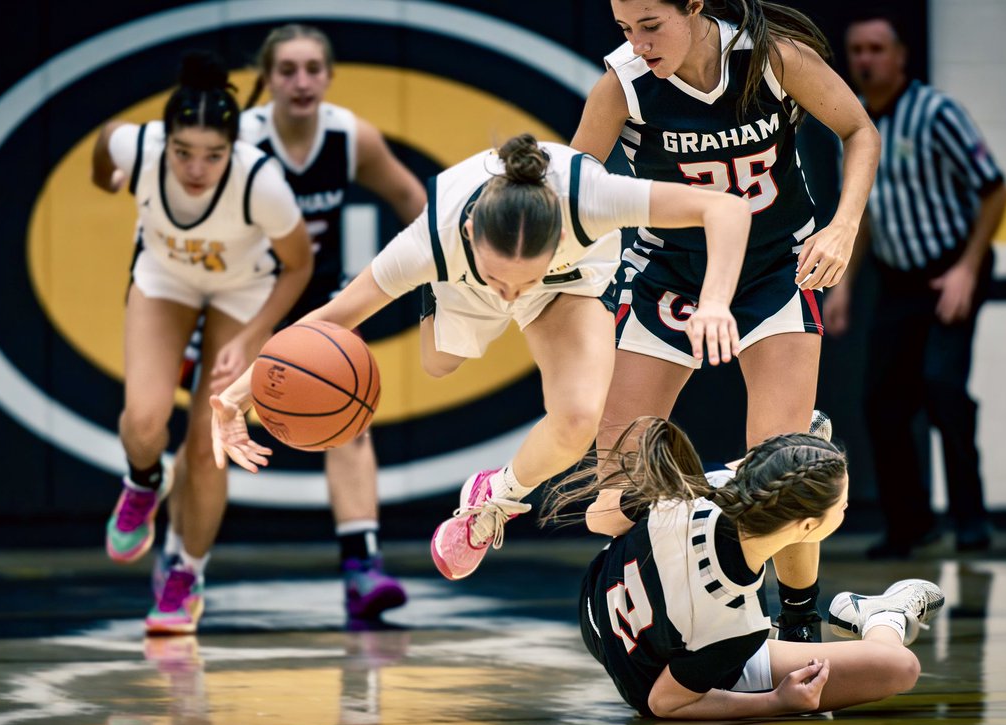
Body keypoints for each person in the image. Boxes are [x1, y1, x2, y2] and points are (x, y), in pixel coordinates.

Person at [211, 133, 752, 582]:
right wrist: (237, 398)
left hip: (568, 284)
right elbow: (333, 318)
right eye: (502, 280)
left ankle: (493, 499)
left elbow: (724, 208)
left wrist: (715, 302)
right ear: (470, 233)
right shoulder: (432, 239)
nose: (511, 297)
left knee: (578, 420)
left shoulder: (593, 198)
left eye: (522, 280)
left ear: (561, 234)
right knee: (439, 363)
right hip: (462, 280)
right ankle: (456, 290)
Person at [568, 0, 882, 643]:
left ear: (694, 7)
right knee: (610, 503)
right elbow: (571, 186)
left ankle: (797, 621)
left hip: (773, 270)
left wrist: (843, 226)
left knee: (783, 477)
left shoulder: (771, 59)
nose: (639, 43)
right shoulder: (623, 83)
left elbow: (859, 130)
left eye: (650, 25)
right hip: (670, 276)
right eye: (625, 29)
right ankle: (663, 622)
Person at [159, 24, 428, 622]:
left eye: (312, 68)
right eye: (287, 70)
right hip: (244, 298)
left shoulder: (349, 136)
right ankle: (177, 555)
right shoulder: (240, 139)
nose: (301, 81)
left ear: (329, 77)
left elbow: (417, 205)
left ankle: (362, 567)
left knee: (350, 420)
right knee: (206, 433)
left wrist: (439, 269)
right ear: (267, 78)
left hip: (318, 307)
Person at [91, 51, 313, 634]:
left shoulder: (260, 181)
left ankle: (186, 573)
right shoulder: (136, 149)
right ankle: (142, 482)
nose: (196, 168)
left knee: (209, 441)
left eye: (213, 155)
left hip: (243, 291)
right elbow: (105, 142)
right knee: (143, 421)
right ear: (163, 141)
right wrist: (108, 179)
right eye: (183, 153)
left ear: (233, 149)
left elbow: (299, 266)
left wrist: (253, 334)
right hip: (165, 279)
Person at [546, 416, 944, 720]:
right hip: (650, 674)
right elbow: (663, 703)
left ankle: (799, 448)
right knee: (899, 667)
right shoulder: (737, 624)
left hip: (597, 598)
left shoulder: (705, 485)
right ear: (807, 528)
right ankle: (884, 616)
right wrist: (776, 703)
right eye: (840, 506)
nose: (845, 508)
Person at [828, 12, 1006, 559]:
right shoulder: (853, 124)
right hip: (898, 277)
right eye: (857, 49)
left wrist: (967, 269)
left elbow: (995, 192)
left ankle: (970, 521)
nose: (865, 59)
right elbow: (863, 217)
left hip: (953, 266)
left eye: (877, 48)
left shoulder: (937, 112)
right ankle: (910, 526)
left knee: (942, 388)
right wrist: (842, 287)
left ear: (900, 56)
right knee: (881, 402)